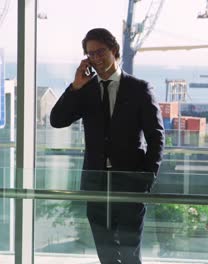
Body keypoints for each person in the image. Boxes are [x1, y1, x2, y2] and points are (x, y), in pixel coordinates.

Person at [50, 28, 165, 264]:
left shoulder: (139, 89)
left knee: (131, 253)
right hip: (95, 182)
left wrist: (147, 178)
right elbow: (57, 120)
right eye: (90, 54)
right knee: (107, 255)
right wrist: (75, 87)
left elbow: (156, 137)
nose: (96, 58)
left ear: (114, 50)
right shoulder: (85, 90)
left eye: (100, 51)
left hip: (130, 182)